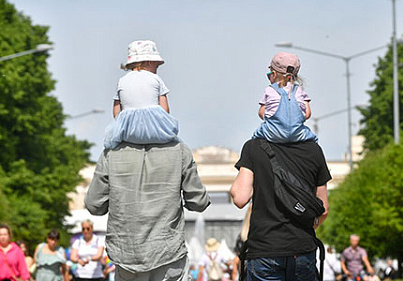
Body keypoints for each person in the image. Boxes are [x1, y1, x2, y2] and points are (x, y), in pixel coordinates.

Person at [84, 140, 210, 281]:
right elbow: (199, 202)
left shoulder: (111, 152)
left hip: (128, 258)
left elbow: (94, 205)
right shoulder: (179, 150)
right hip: (167, 255)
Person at [230, 135, 331, 279]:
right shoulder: (314, 150)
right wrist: (308, 227)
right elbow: (324, 209)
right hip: (302, 247)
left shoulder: (254, 147)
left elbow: (240, 198)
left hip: (265, 248)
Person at [104, 40, 179, 149]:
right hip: (155, 130)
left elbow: (116, 112)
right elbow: (165, 110)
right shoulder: (156, 79)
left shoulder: (122, 81)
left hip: (129, 133)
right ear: (149, 62)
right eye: (156, 67)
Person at [253, 52, 317, 143]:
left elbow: (261, 113)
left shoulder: (269, 90)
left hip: (272, 133)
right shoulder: (300, 90)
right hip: (298, 134)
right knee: (314, 139)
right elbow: (307, 114)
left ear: (274, 74)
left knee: (255, 138)